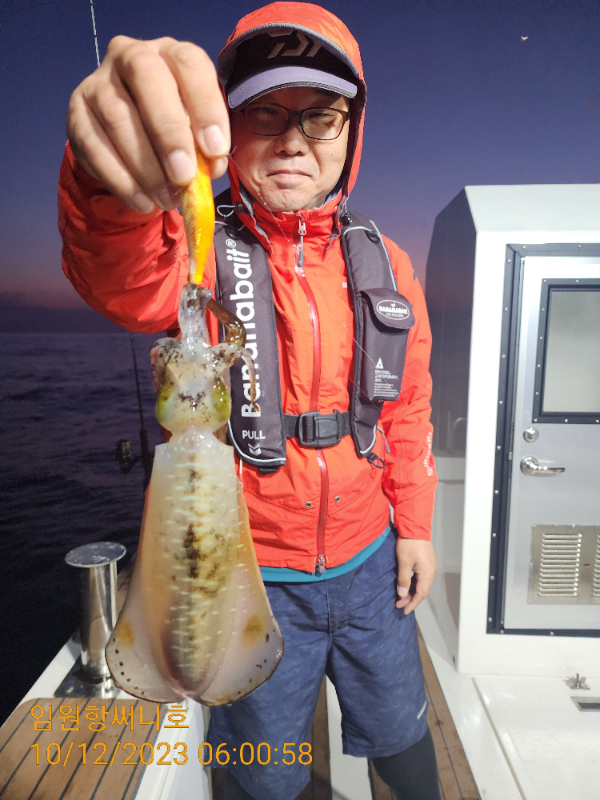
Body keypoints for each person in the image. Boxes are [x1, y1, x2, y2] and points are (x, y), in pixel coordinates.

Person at [59, 4, 440, 799]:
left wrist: (415, 527)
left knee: (404, 728)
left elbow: (407, 408)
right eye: (266, 112)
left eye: (321, 115)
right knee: (263, 768)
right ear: (226, 128)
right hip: (254, 570)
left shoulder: (388, 263)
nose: (294, 139)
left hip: (371, 562)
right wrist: (108, 174)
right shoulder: (195, 249)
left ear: (351, 133)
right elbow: (119, 269)